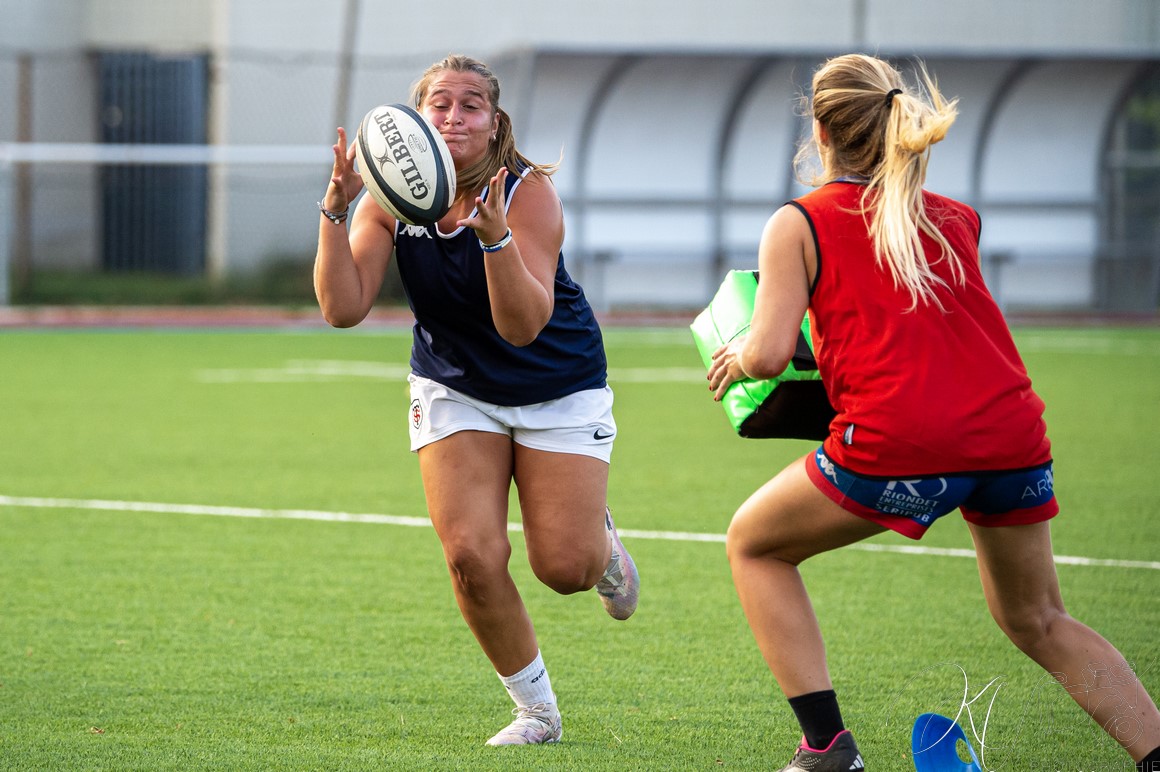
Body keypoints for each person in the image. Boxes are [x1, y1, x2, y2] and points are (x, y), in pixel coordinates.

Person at [707, 53, 1160, 771]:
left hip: (903, 441)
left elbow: (766, 357)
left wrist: (738, 354)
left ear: (819, 131)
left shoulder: (797, 222)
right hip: (1012, 434)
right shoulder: (958, 217)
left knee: (753, 545)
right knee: (1039, 618)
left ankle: (826, 748)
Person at [313, 54, 639, 747]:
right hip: (453, 383)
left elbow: (523, 327)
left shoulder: (526, 194)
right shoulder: (390, 197)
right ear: (416, 118)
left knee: (566, 569)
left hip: (555, 382)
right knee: (470, 554)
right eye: (439, 104)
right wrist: (336, 209)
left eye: (470, 106)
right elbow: (342, 308)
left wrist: (495, 239)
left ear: (494, 122)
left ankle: (602, 548)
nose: (453, 117)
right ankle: (536, 712)